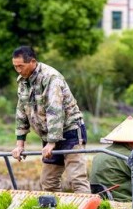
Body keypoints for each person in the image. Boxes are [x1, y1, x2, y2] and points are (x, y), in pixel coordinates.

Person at [10, 46, 90, 193]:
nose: (18, 70)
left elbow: (55, 110)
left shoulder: (51, 78)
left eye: (21, 66)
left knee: (76, 178)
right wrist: (19, 144)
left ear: (32, 61)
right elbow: (21, 111)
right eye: (15, 67)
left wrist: (52, 143)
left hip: (70, 131)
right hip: (49, 135)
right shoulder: (22, 81)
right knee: (48, 181)